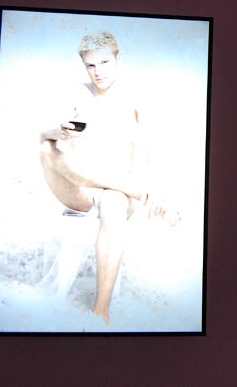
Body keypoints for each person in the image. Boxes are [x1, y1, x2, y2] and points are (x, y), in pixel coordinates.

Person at [39, 31, 179, 325]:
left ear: (118, 59)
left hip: (120, 193)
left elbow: (154, 150)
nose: (98, 71)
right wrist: (58, 130)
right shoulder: (76, 92)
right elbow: (44, 134)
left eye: (104, 62)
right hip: (82, 188)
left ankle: (100, 310)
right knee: (46, 149)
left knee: (113, 201)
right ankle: (132, 190)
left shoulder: (135, 97)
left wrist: (158, 190)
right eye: (90, 65)